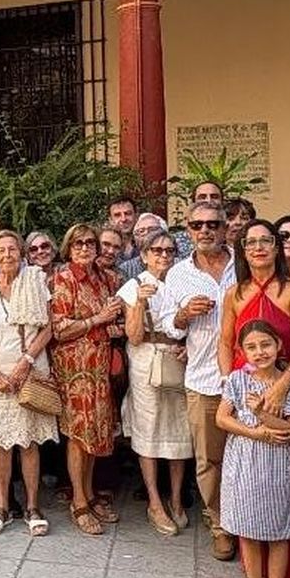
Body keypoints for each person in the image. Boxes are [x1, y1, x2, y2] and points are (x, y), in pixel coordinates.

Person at [218, 220, 290, 578]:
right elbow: (225, 343)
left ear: (277, 247)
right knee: (251, 482)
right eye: (251, 243)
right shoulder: (235, 292)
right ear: (243, 250)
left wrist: (280, 388)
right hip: (246, 393)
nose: (259, 248)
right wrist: (230, 384)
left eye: (266, 240)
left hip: (288, 386)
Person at [218, 320, 290, 578]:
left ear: (278, 346)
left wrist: (262, 414)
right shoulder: (237, 380)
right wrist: (254, 432)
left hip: (276, 467)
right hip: (243, 463)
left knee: (277, 532)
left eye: (266, 344)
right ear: (242, 352)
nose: (260, 352)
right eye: (252, 347)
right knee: (247, 531)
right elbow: (222, 418)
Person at [0, 230, 59, 536]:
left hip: (29, 371)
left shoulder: (35, 283)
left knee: (28, 442)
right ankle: (2, 506)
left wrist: (26, 361)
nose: (7, 255)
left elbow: (48, 329)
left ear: (21, 253)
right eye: (1, 250)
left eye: (12, 249)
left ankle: (33, 506)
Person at [161, 201, 237, 558]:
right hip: (204, 379)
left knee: (249, 456)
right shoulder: (178, 273)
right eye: (197, 225)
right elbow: (168, 325)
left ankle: (248, 522)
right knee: (209, 459)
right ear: (188, 231)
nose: (205, 230)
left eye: (212, 224)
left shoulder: (245, 264)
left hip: (249, 378)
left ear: (225, 228)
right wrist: (182, 315)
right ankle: (219, 524)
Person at [49, 223, 123, 534]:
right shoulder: (64, 277)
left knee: (94, 432)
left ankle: (90, 493)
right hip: (74, 369)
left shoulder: (105, 278)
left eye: (90, 242)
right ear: (68, 247)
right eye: (78, 243)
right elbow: (59, 328)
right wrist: (98, 320)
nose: (84, 248)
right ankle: (78, 501)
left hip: (99, 366)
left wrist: (110, 322)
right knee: (78, 435)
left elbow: (114, 322)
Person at [121, 229, 192, 535]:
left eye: (169, 250)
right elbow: (134, 336)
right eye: (157, 250)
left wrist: (188, 346)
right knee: (148, 427)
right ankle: (154, 502)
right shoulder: (133, 286)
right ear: (144, 255)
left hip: (177, 359)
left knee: (179, 427)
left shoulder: (181, 283)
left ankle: (176, 499)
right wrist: (138, 303)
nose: (163, 255)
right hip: (146, 359)